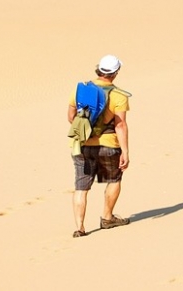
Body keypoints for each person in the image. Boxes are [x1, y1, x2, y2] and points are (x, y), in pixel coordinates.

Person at [67, 55, 131, 238]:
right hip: (108, 144)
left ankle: (80, 227)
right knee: (113, 180)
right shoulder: (119, 95)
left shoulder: (80, 89)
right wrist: (125, 151)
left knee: (81, 187)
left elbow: (71, 116)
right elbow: (120, 125)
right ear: (115, 73)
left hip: (81, 145)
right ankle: (107, 217)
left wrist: (87, 129)